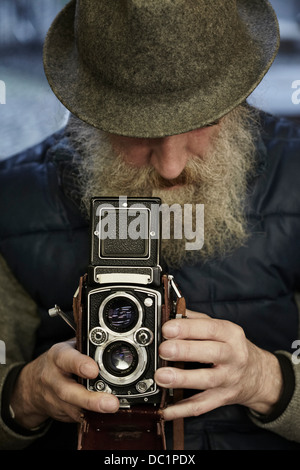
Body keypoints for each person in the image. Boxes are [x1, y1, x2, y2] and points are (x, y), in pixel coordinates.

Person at [1, 0, 300, 450]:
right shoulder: (13, 202)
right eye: (137, 131)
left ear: (238, 97)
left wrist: (269, 381)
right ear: (90, 110)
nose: (172, 165)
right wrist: (23, 394)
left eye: (202, 122)